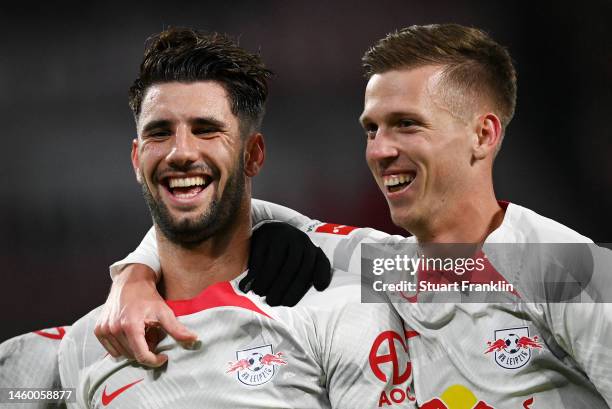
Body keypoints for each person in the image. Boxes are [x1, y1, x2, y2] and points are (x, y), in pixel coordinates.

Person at [102, 24, 612, 408]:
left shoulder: (566, 268)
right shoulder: (381, 266)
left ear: (483, 135)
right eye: (372, 129)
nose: (381, 150)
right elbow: (213, 205)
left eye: (406, 125)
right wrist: (135, 277)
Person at [56, 27, 413, 408]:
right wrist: (134, 271)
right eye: (159, 133)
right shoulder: (87, 342)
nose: (180, 152)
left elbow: (468, 272)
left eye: (206, 130)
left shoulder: (342, 308)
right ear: (135, 159)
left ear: (253, 155)